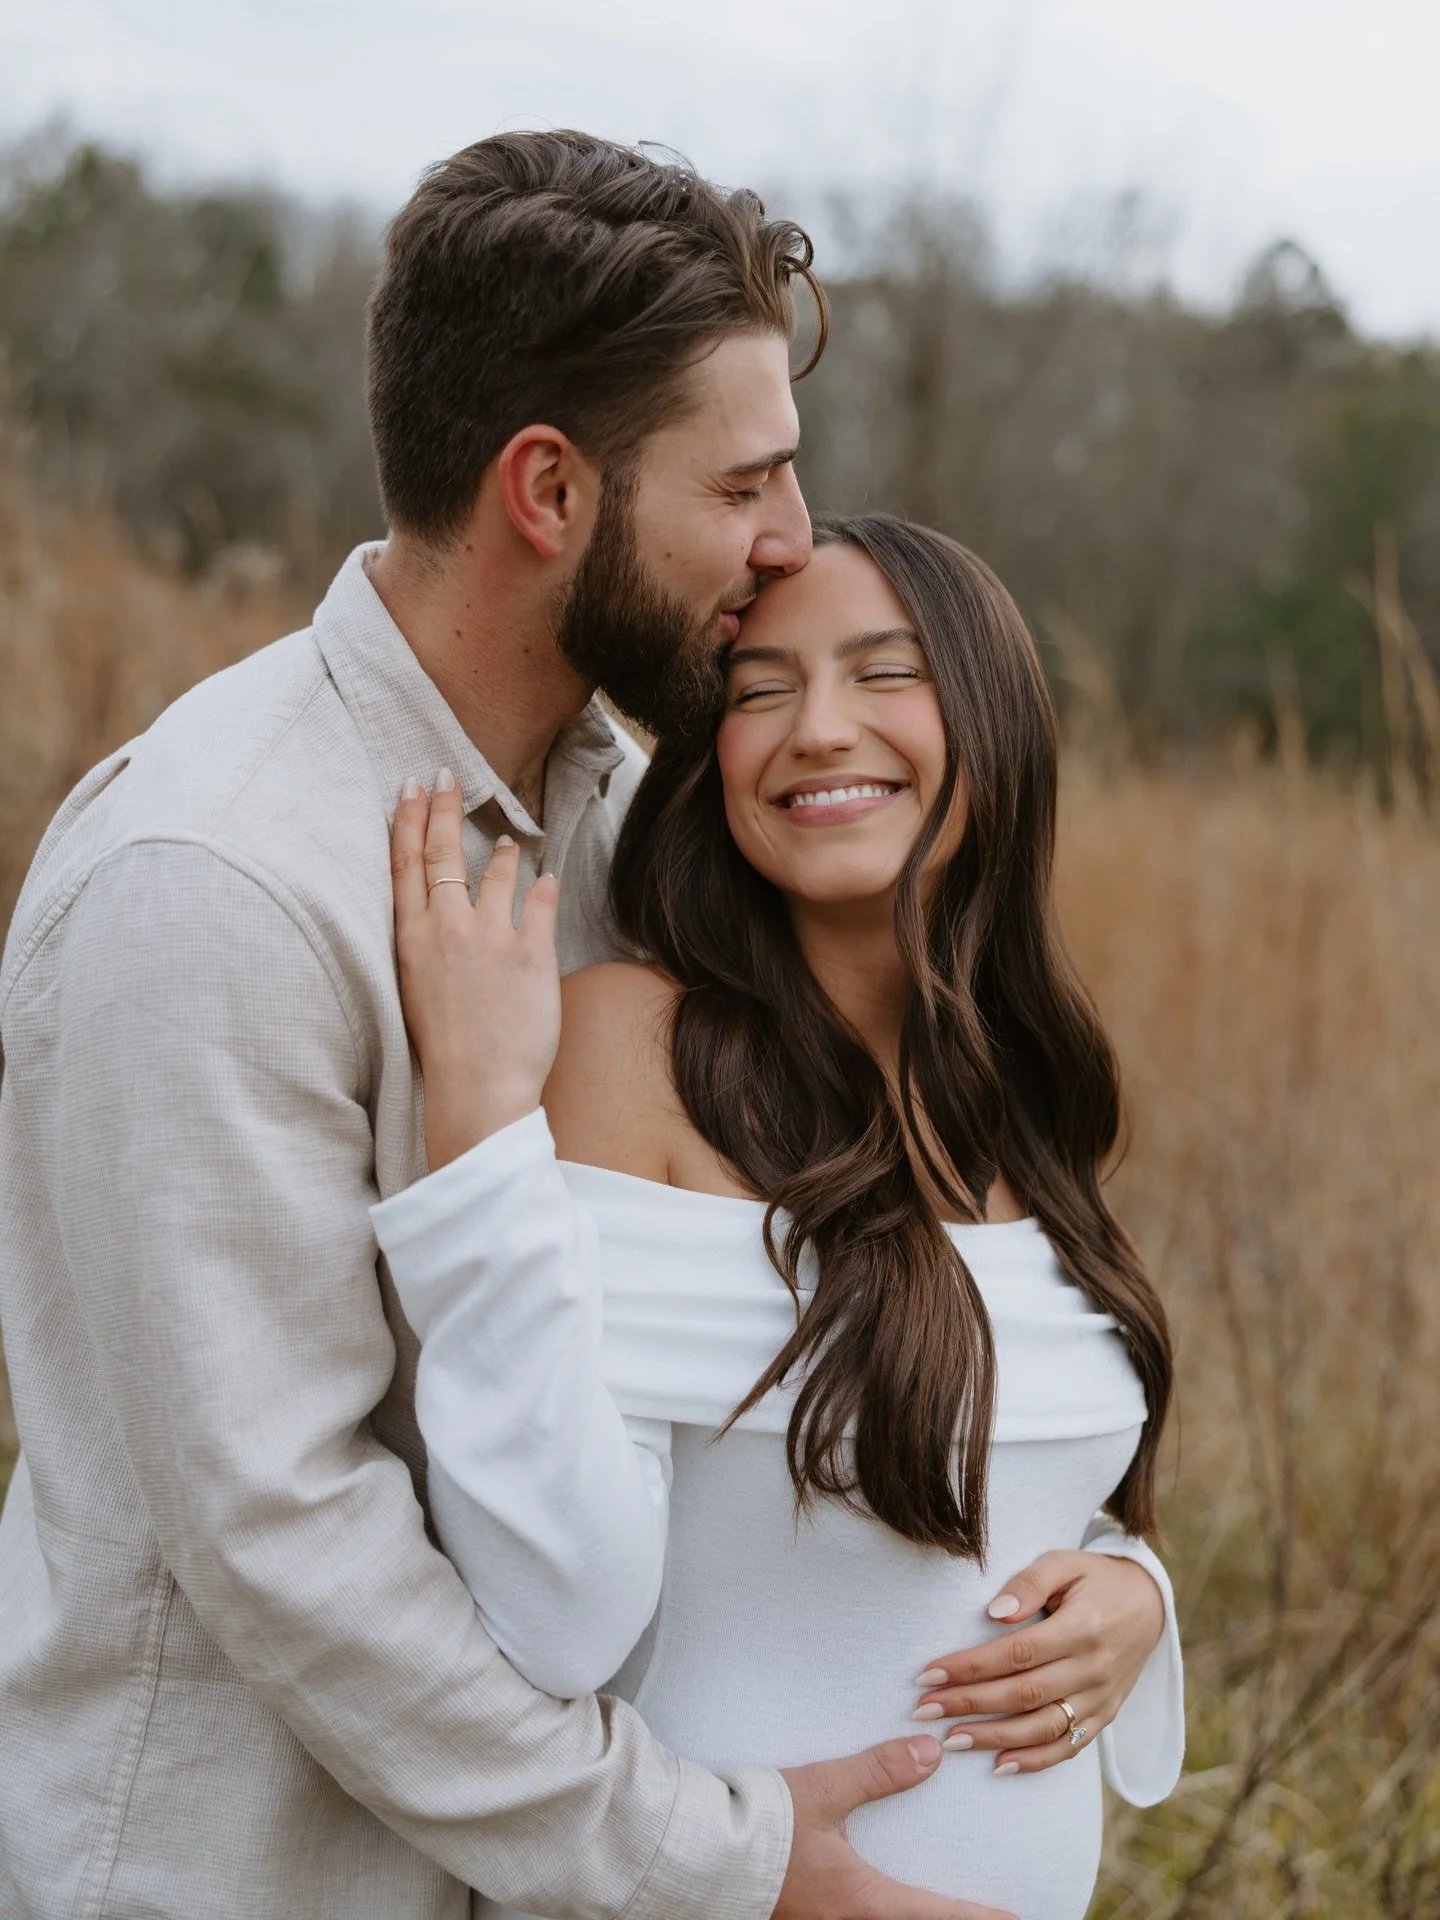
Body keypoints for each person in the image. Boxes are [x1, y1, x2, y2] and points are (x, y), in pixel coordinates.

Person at [0, 128, 1163, 1920]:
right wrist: (728, 1864)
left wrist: (1120, 1580)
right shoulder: (213, 881)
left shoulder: (635, 821)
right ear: (551, 494)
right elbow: (288, 1542)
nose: (789, 545)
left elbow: (814, 1358)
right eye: (748, 485)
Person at [370, 514, 1184, 1920]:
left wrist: (1138, 1598)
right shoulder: (634, 1049)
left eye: (883, 675)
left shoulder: (1023, 1093)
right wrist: (478, 1146)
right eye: (759, 691)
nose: (817, 730)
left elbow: (1007, 1500)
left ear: (995, 719)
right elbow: (551, 1615)